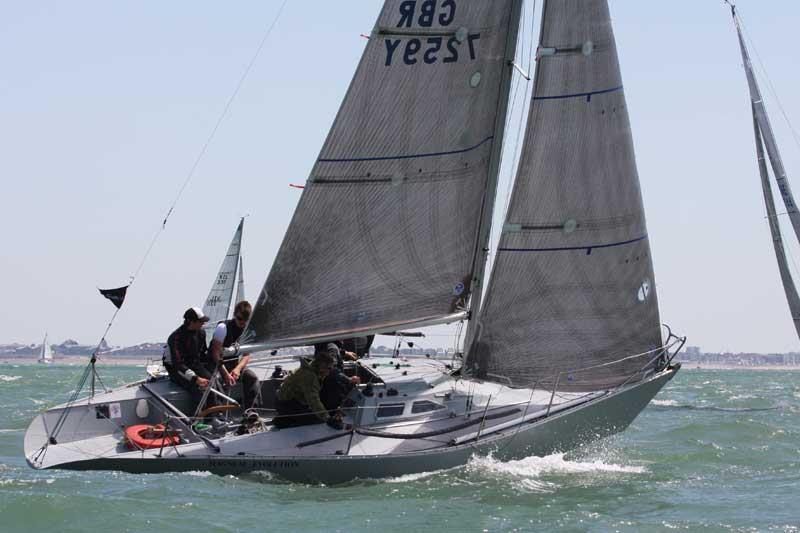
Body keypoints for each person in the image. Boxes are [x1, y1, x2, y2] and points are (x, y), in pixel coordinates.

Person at [207, 300, 259, 410]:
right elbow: (215, 353)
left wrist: (237, 369)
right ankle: (217, 413)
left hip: (233, 364)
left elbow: (246, 355)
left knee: (252, 377)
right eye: (240, 319)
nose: (242, 323)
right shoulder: (222, 328)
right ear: (234, 315)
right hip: (216, 364)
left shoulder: (248, 331)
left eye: (246, 320)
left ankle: (250, 412)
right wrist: (225, 374)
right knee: (216, 381)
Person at [274, 346, 343, 429]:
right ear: (321, 367)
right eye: (329, 368)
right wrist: (328, 419)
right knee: (317, 419)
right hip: (286, 405)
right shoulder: (309, 377)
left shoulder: (311, 367)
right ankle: (284, 420)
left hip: (292, 400)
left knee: (318, 411)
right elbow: (313, 400)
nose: (329, 371)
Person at [163, 307, 217, 413]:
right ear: (191, 322)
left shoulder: (201, 333)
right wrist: (196, 378)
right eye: (201, 321)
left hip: (193, 364)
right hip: (176, 368)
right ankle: (197, 420)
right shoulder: (175, 337)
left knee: (212, 382)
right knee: (197, 387)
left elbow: (202, 355)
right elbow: (178, 364)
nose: (203, 324)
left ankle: (213, 416)